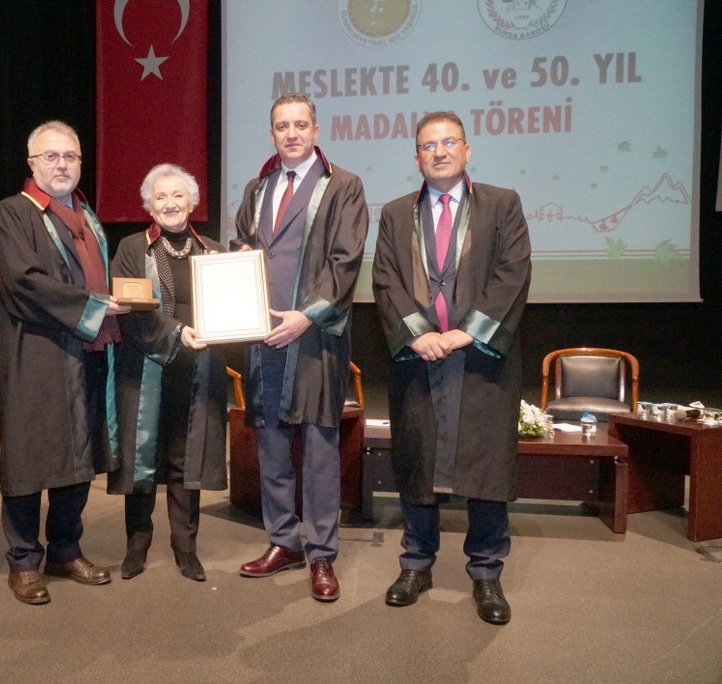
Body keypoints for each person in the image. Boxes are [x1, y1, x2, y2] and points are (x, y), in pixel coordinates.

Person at [372, 111, 532, 625]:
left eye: (448, 142)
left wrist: (468, 332)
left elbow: (513, 273)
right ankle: (416, 565)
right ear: (416, 157)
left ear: (467, 150)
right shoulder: (395, 214)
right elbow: (385, 280)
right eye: (428, 145)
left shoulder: (502, 204)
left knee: (486, 466)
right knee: (417, 461)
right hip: (418, 359)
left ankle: (485, 572)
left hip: (481, 359)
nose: (439, 152)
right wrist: (418, 334)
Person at [232, 93, 368, 602]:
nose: (291, 133)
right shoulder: (257, 188)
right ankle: (283, 542)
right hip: (263, 335)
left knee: (318, 449)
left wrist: (305, 316)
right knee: (270, 444)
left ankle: (322, 553)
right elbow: (242, 250)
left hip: (314, 337)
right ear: (272, 134)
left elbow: (345, 261)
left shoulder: (343, 186)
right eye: (282, 126)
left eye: (300, 125)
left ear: (316, 130)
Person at [0, 120, 129, 605]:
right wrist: (95, 307)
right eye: (51, 156)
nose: (62, 164)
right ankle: (24, 560)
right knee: (30, 458)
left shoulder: (86, 216)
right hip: (36, 355)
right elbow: (22, 282)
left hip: (87, 352)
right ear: (32, 163)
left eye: (70, 156)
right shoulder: (14, 212)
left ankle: (66, 550)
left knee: (79, 456)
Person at [109, 163, 227, 582]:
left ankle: (186, 548)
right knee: (141, 460)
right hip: (144, 368)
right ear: (149, 205)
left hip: (196, 371)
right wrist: (176, 332)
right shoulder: (131, 249)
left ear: (192, 202)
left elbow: (229, 306)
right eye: (161, 196)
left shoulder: (214, 251)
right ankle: (136, 547)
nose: (171, 203)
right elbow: (130, 309)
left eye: (178, 195)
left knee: (185, 460)